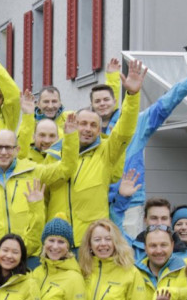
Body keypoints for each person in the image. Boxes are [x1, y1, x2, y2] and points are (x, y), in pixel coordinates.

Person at [108, 59, 187, 236]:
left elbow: (164, 105)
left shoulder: (137, 124)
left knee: (127, 252)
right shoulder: (90, 128)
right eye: (98, 102)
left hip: (130, 201)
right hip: (97, 201)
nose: (103, 104)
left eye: (107, 100)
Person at [47, 59, 146, 248]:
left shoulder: (106, 152)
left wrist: (132, 95)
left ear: (99, 130)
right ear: (73, 124)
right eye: (82, 124)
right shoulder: (53, 153)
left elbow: (125, 130)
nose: (87, 129)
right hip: (58, 242)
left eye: (93, 125)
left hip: (91, 242)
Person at [0, 120, 78, 256]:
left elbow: (66, 168)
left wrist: (71, 136)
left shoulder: (33, 171)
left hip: (29, 251)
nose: (3, 152)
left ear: (17, 150)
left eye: (8, 147)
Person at [128, 193, 187, 259]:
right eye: (154, 218)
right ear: (145, 219)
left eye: (164, 218)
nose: (159, 223)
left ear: (170, 221)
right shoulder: (132, 249)